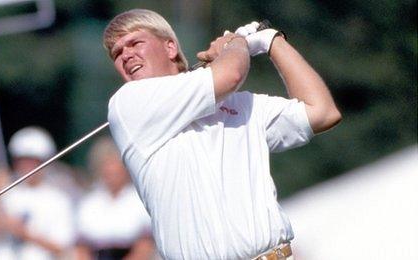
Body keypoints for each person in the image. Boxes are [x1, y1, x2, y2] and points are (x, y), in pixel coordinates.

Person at [103, 9, 342, 259]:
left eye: (135, 43)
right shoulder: (127, 104)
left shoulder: (243, 105)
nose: (126, 55)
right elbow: (231, 74)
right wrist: (237, 44)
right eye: (117, 53)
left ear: (170, 47)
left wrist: (272, 42)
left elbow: (323, 112)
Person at [0, 126, 75, 260]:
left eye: (33, 161)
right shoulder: (7, 193)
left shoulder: (58, 200)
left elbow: (61, 247)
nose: (27, 166)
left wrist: (23, 232)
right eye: (22, 160)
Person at [75, 135, 154, 260]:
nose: (111, 173)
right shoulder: (89, 203)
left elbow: (145, 247)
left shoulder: (139, 200)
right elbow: (81, 248)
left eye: (115, 168)